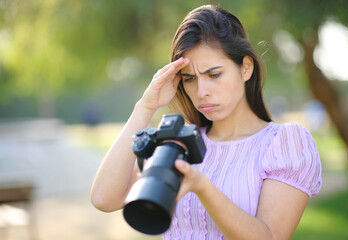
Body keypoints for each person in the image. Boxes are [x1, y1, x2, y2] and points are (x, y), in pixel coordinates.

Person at [91, 5, 322, 240]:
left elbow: (270, 237)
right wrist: (146, 106)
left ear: (246, 68)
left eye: (214, 75)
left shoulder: (284, 143)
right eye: (189, 79)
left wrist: (201, 186)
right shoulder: (178, 144)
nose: (201, 92)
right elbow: (104, 198)